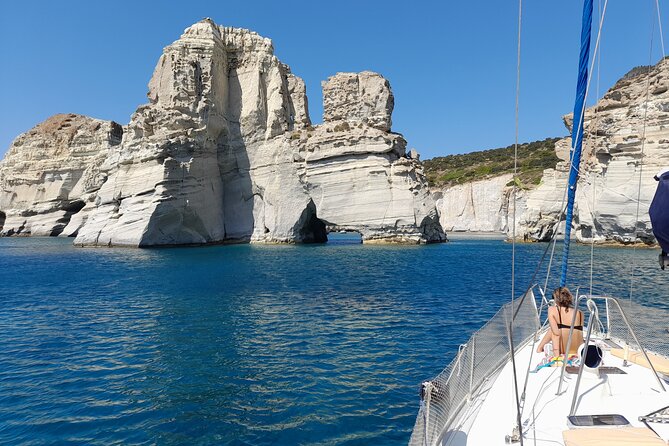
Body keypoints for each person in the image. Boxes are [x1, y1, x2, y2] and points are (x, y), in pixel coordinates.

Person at [536, 287, 584, 356]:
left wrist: (557, 356)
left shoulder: (552, 310)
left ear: (556, 299)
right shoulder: (580, 313)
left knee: (553, 329)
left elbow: (556, 335)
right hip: (577, 350)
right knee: (566, 329)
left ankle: (539, 348)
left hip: (563, 350)